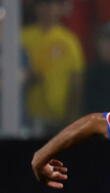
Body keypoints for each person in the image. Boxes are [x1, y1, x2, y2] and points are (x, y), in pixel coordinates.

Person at [22, 0, 85, 136]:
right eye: (43, 4)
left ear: (59, 8)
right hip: (28, 117)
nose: (47, 9)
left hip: (58, 119)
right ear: (36, 8)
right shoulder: (23, 37)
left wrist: (73, 120)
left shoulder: (69, 41)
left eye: (52, 4)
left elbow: (76, 83)